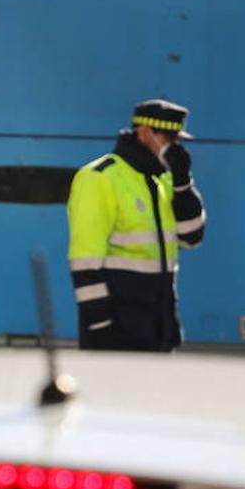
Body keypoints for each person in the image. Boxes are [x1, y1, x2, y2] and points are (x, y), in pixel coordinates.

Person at [66, 99, 206, 351]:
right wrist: (100, 324)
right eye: (168, 138)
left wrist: (183, 183)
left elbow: (191, 237)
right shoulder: (100, 177)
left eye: (178, 139)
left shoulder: (163, 179)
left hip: (159, 321)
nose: (174, 146)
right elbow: (85, 259)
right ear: (144, 132)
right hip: (117, 323)